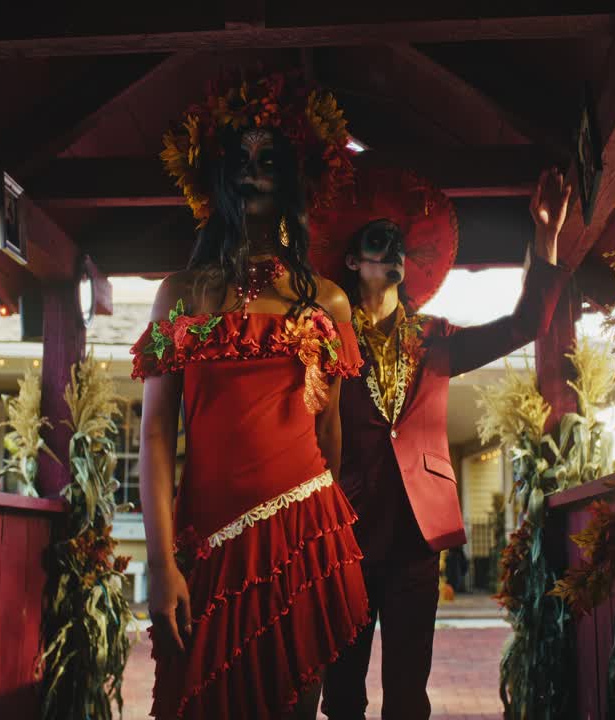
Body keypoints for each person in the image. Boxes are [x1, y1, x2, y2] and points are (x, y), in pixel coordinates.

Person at [133, 69, 369, 720]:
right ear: (213, 172)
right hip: (203, 543)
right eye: (238, 158)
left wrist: (315, 528)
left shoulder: (329, 300)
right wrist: (158, 561)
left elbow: (332, 439)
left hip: (304, 532)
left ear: (295, 174)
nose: (253, 171)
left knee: (295, 706)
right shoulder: (179, 294)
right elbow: (155, 434)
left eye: (269, 159)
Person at [309, 164, 577, 719]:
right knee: (340, 699)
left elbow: (522, 326)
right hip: (346, 537)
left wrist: (545, 238)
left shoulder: (437, 338)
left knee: (408, 699)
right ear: (353, 261)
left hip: (415, 539)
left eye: (399, 244)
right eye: (378, 242)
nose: (393, 250)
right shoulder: (324, 338)